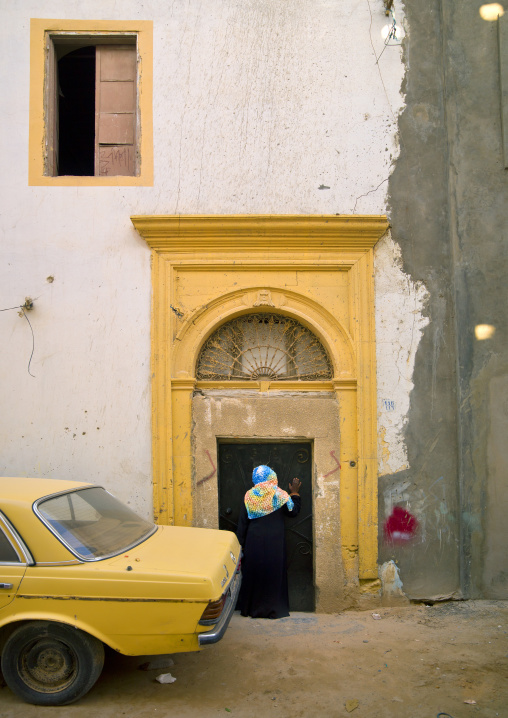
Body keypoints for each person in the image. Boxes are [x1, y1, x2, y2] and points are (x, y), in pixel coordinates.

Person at [235, 464, 302, 619]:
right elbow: (293, 512)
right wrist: (295, 493)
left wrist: (240, 545)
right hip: (275, 542)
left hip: (254, 541)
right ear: (272, 477)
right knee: (274, 572)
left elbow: (242, 523)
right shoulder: (279, 494)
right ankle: (273, 609)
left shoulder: (249, 495)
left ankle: (251, 609)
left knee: (254, 572)